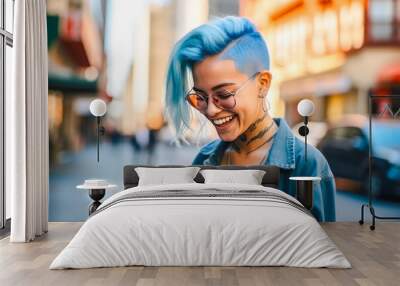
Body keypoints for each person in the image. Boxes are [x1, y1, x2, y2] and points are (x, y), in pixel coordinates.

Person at [164, 16, 336, 222]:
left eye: (225, 94)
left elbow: (318, 248)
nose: (210, 110)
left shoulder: (307, 165)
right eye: (200, 97)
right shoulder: (204, 159)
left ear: (262, 84)